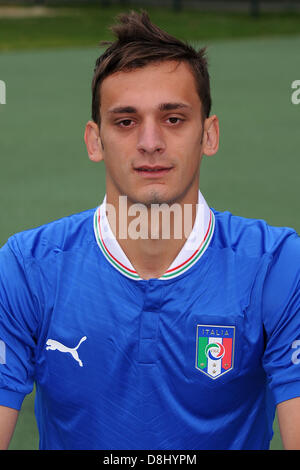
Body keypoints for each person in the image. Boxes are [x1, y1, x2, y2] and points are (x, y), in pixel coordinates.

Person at [0, 10, 299, 451]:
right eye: (125, 122)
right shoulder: (25, 269)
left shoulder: (277, 266)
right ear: (94, 141)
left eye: (174, 118)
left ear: (209, 135)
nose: (150, 141)